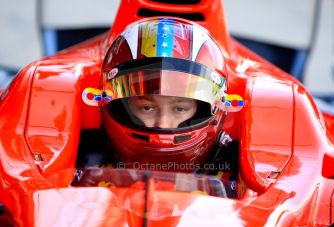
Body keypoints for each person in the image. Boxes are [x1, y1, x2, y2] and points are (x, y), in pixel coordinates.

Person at [78, 17, 245, 197]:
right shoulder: (83, 163)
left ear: (211, 107)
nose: (163, 124)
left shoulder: (237, 172)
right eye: (147, 107)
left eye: (180, 108)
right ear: (117, 104)